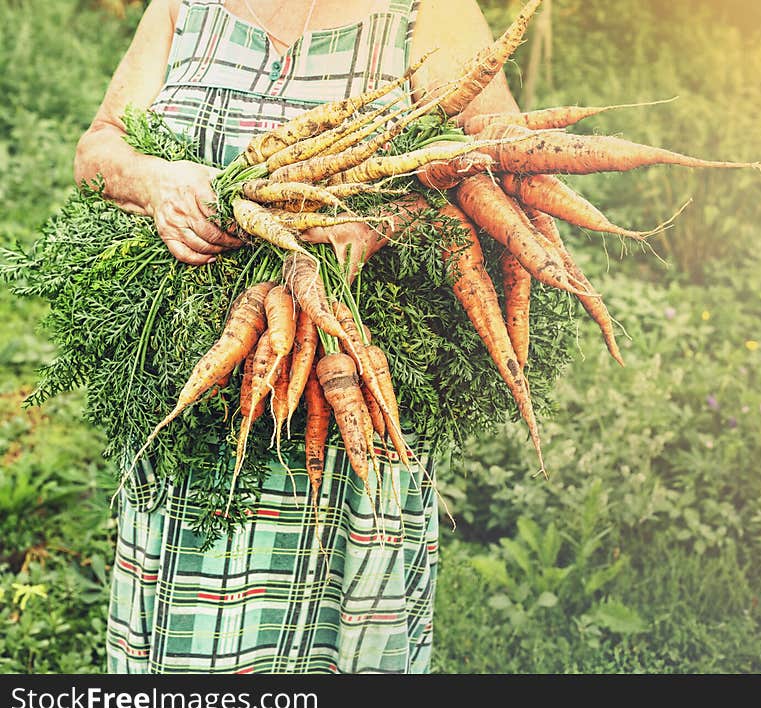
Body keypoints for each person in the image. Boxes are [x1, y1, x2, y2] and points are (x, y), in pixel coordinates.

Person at [74, 0, 520, 674]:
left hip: (352, 412)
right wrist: (156, 181)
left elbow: (499, 163)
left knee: (334, 652)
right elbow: (97, 147)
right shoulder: (182, 5)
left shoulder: (428, 12)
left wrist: (384, 221)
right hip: (193, 417)